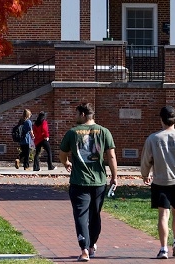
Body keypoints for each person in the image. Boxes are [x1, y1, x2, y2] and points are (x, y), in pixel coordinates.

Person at [59, 103, 117, 262]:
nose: (75, 116)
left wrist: (66, 163)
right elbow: (111, 156)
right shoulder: (104, 132)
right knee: (95, 215)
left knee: (81, 215)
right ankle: (92, 246)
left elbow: (62, 153)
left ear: (83, 114)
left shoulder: (72, 133)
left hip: (79, 181)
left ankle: (84, 249)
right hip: (99, 181)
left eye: (76, 113)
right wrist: (114, 176)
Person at [141, 105, 175, 259]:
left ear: (161, 119)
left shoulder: (153, 138)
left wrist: (145, 174)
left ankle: (163, 248)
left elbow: (146, 159)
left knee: (163, 214)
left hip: (160, 181)